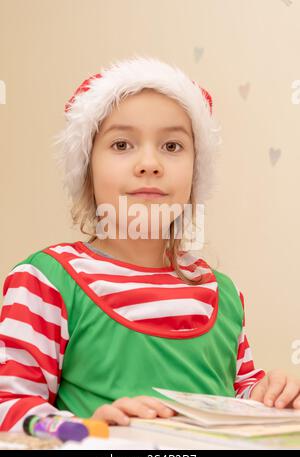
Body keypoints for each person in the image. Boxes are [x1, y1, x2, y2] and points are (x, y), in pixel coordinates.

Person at [0, 56, 299, 432]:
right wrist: (90, 428)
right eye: (122, 144)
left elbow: (234, 400)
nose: (149, 163)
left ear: (195, 171)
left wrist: (269, 396)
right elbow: (8, 408)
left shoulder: (221, 294)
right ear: (87, 171)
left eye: (172, 146)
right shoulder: (47, 281)